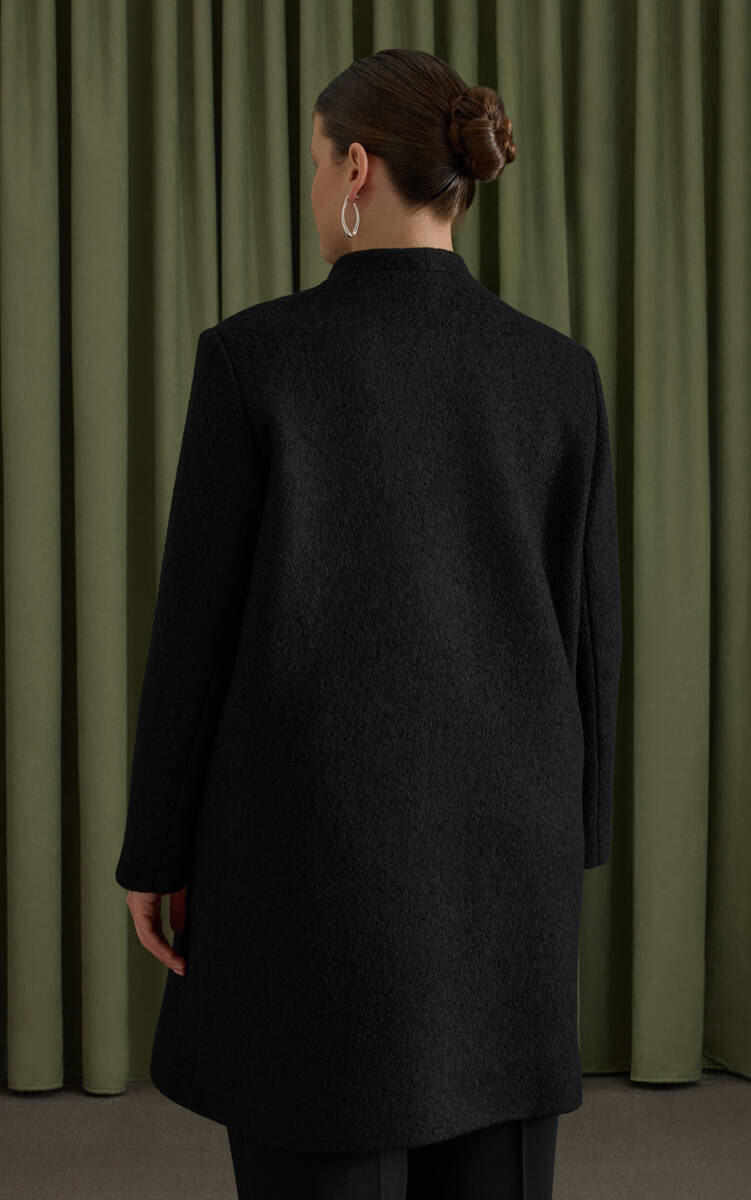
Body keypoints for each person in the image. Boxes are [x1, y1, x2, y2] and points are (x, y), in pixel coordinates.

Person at [116, 47, 622, 1200]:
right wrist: (569, 838)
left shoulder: (252, 360)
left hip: (312, 858)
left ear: (354, 169)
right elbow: (587, 638)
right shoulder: (556, 374)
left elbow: (194, 640)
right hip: (507, 860)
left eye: (312, 163)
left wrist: (158, 852)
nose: (312, 190)